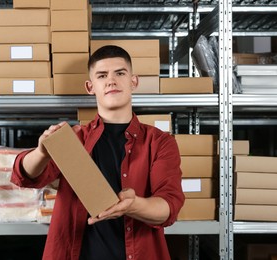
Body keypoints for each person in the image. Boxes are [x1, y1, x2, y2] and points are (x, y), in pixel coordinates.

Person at [11, 45, 185, 260]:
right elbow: (25, 176)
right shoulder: (74, 139)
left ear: (134, 81)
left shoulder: (159, 142)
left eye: (120, 73)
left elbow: (169, 207)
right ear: (90, 86)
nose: (111, 81)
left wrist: (133, 205)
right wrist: (41, 152)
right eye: (102, 75)